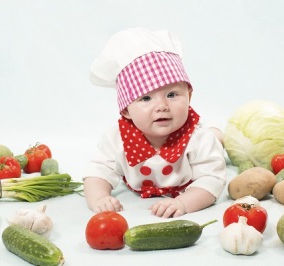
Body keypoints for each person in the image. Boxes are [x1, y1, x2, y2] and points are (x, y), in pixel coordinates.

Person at [83, 28, 226, 218]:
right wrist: (99, 198)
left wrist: (183, 202)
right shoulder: (116, 138)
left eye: (172, 95)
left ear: (189, 96)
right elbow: (97, 170)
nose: (162, 106)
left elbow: (212, 179)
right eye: (146, 98)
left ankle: (217, 133)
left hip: (188, 180)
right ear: (126, 109)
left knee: (213, 141)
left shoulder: (199, 139)